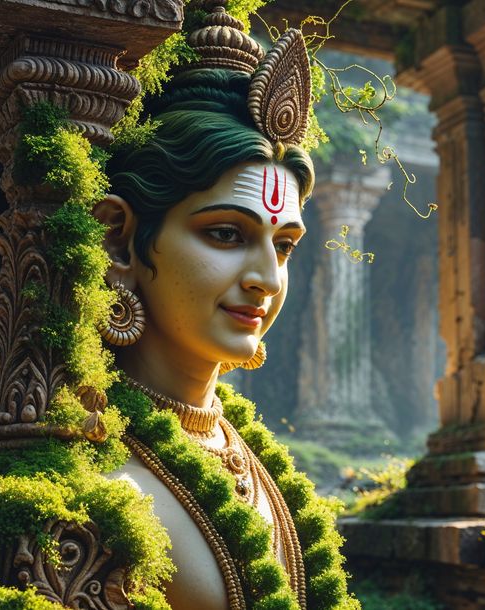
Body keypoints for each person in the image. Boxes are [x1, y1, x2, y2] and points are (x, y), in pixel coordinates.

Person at [89, 3, 342, 609]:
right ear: (119, 241)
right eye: (226, 234)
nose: (265, 279)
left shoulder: (258, 466)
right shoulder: (99, 483)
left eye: (282, 246)